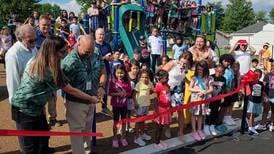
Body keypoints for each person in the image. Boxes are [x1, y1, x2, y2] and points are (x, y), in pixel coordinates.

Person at [11, 36, 98, 154]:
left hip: (36, 108)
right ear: (52, 52)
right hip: (24, 110)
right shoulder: (48, 70)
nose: (64, 54)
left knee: (43, 140)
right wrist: (91, 98)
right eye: (62, 52)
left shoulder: (41, 61)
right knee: (30, 147)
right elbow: (70, 90)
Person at [61, 35, 101, 153]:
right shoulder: (69, 62)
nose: (89, 54)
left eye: (91, 51)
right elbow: (67, 88)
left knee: (87, 128)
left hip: (90, 100)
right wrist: (89, 97)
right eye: (87, 51)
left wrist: (101, 86)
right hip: (75, 102)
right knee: (77, 131)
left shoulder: (92, 53)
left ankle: (87, 150)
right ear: (78, 44)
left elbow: (101, 68)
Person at [5, 24, 38, 151]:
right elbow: (13, 83)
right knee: (27, 141)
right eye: (31, 40)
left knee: (38, 134)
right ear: (19, 38)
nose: (34, 42)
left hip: (35, 99)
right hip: (22, 104)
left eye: (35, 39)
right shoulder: (13, 55)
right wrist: (19, 106)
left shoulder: (32, 48)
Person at [162, 51, 193, 138]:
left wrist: (190, 82)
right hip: (167, 89)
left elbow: (182, 77)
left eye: (185, 63)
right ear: (179, 58)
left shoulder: (186, 67)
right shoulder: (172, 63)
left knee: (180, 111)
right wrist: (162, 88)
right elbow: (161, 74)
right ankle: (167, 129)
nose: (183, 64)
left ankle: (180, 131)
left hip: (178, 90)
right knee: (168, 111)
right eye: (182, 61)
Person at [189, 60, 213, 141]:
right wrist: (198, 90)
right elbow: (190, 88)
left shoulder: (209, 78)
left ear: (205, 70)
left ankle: (199, 129)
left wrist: (205, 92)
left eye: (201, 70)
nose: (200, 71)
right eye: (198, 69)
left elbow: (211, 89)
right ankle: (194, 130)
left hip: (203, 100)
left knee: (200, 115)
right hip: (195, 100)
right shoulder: (194, 78)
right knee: (193, 115)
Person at [109, 64, 132, 148]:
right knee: (115, 122)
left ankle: (123, 137)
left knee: (123, 121)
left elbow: (130, 92)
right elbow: (110, 93)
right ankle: (115, 138)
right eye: (118, 73)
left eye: (121, 73)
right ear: (115, 73)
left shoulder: (127, 81)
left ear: (125, 73)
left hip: (124, 105)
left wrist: (126, 94)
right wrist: (118, 93)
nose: (119, 75)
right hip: (115, 105)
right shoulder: (113, 81)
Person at [133, 70, 153, 146]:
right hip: (139, 105)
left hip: (147, 105)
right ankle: (136, 138)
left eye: (146, 77)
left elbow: (151, 91)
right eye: (143, 77)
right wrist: (135, 103)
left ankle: (142, 134)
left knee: (143, 120)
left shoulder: (150, 84)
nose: (145, 79)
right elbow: (134, 94)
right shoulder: (139, 84)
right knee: (138, 121)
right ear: (140, 78)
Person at [95, 28, 112, 115]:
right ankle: (92, 109)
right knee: (93, 90)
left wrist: (110, 58)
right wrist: (104, 57)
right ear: (96, 35)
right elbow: (92, 59)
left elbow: (110, 56)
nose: (101, 36)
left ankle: (104, 108)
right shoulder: (93, 45)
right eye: (99, 34)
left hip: (106, 71)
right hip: (95, 71)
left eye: (103, 34)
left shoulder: (107, 45)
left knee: (104, 90)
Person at [205, 64, 226, 136]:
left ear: (223, 72)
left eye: (221, 72)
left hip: (217, 99)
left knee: (215, 111)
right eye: (217, 71)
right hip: (209, 99)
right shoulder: (211, 77)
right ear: (215, 70)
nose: (218, 73)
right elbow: (207, 87)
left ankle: (212, 126)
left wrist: (222, 96)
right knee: (208, 112)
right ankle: (206, 125)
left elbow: (223, 89)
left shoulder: (223, 79)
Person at [153, 70, 171, 150]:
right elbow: (154, 99)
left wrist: (170, 107)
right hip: (160, 110)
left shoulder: (167, 85)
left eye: (167, 78)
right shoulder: (158, 86)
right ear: (159, 78)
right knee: (158, 127)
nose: (167, 79)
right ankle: (156, 142)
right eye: (165, 78)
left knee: (162, 126)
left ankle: (159, 140)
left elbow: (168, 97)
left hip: (166, 109)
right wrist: (156, 110)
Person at [247, 69, 264, 135]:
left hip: (258, 100)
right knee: (252, 114)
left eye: (259, 76)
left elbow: (262, 92)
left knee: (255, 114)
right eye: (256, 76)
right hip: (252, 100)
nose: (257, 77)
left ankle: (251, 125)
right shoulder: (250, 82)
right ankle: (251, 127)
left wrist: (262, 99)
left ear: (261, 76)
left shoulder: (261, 83)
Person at [127, 60, 140, 132]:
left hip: (134, 98)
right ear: (130, 68)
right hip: (126, 98)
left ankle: (130, 126)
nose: (135, 70)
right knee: (126, 113)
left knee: (132, 112)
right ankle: (124, 126)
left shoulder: (138, 76)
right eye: (134, 68)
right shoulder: (126, 75)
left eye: (137, 68)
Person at [262, 62, 274, 132]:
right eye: (272, 66)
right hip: (267, 95)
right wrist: (264, 95)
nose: (273, 68)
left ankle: (272, 125)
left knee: (273, 111)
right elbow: (263, 86)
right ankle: (263, 124)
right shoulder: (267, 75)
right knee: (266, 110)